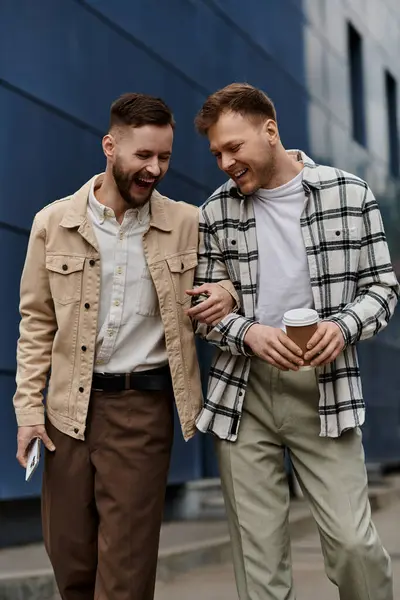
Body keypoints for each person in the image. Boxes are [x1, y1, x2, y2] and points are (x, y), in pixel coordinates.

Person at [13, 92, 236, 600]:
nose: (155, 168)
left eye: (165, 157)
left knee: (126, 574)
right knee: (70, 562)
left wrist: (227, 292)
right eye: (143, 156)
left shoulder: (187, 224)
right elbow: (36, 324)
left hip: (141, 410)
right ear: (110, 147)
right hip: (66, 411)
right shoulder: (53, 224)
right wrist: (28, 411)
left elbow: (232, 278)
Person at [188, 83, 399, 600]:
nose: (225, 163)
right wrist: (249, 332)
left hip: (324, 389)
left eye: (233, 148)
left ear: (270, 130)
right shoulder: (214, 213)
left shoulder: (349, 194)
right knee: (259, 568)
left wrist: (344, 325)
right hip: (244, 396)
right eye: (216, 153)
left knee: (353, 546)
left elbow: (383, 287)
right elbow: (202, 313)